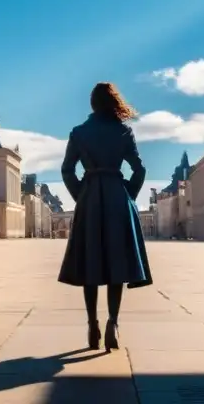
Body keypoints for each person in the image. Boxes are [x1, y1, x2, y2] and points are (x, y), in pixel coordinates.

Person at [58, 82, 153, 352]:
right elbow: (139, 169)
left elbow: (67, 170)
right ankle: (113, 323)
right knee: (117, 263)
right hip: (116, 197)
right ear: (113, 103)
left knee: (90, 263)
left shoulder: (78, 133)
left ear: (92, 104)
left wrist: (81, 195)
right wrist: (129, 197)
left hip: (90, 197)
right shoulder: (123, 131)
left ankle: (92, 325)